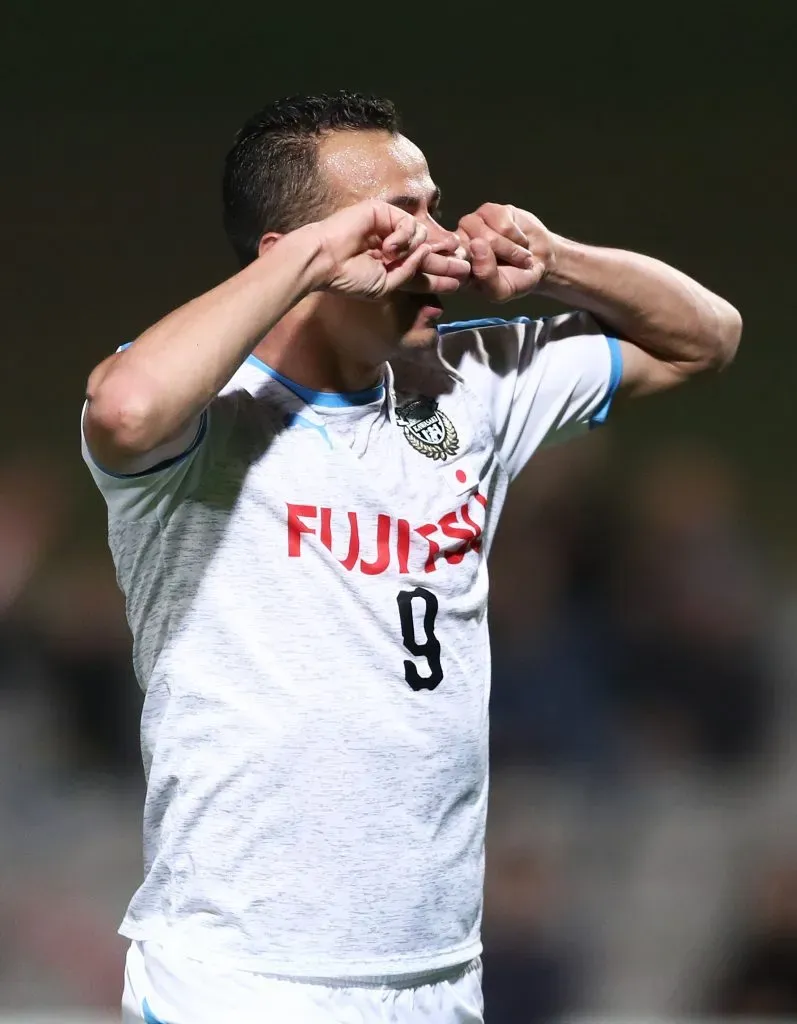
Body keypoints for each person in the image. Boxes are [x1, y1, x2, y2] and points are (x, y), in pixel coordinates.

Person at [81, 91, 742, 1023]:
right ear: (297, 252)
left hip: (436, 975)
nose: (441, 241)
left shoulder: (471, 383)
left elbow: (705, 340)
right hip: (241, 977)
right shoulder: (207, 409)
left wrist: (556, 261)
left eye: (434, 207)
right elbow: (123, 411)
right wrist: (319, 258)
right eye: (397, 218)